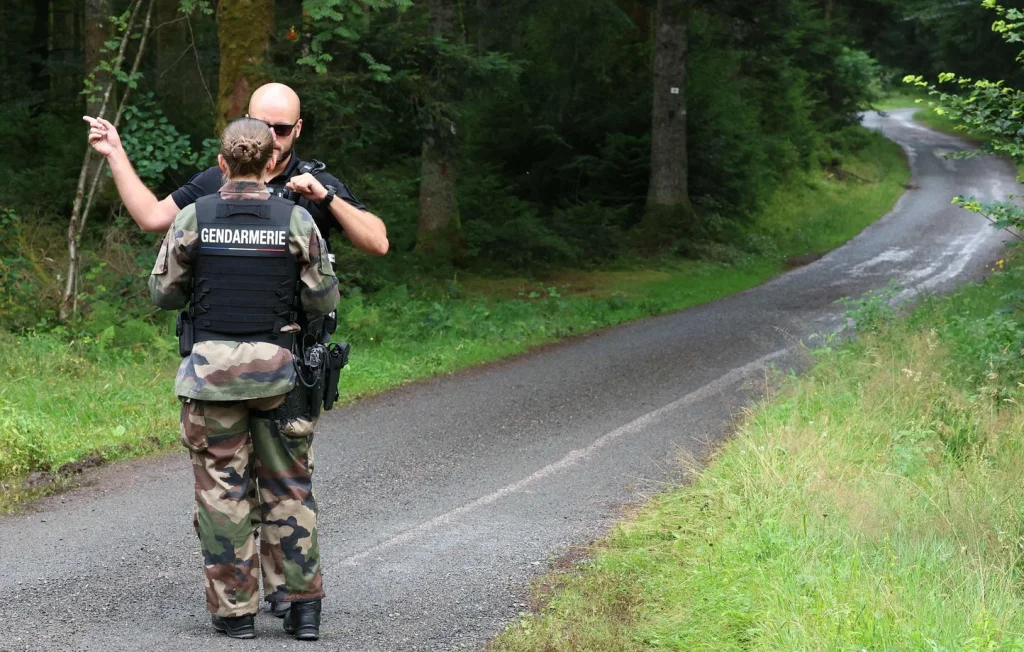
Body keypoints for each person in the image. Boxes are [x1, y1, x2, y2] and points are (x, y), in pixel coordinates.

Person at [149, 117, 340, 641]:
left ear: (222, 163)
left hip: (211, 379)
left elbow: (163, 294)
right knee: (288, 488)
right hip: (280, 375)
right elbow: (325, 300)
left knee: (222, 495)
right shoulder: (297, 220)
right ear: (272, 162)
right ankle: (303, 610)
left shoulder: (193, 218)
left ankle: (235, 614)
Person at [84, 82, 389, 256]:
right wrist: (115, 153)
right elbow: (151, 217)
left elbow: (378, 244)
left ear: (298, 128)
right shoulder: (218, 178)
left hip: (293, 345)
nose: (269, 137)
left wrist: (326, 199)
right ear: (246, 119)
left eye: (281, 129)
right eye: (260, 125)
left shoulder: (314, 183)